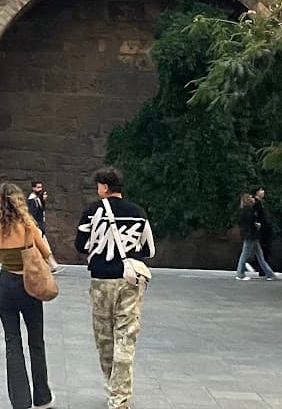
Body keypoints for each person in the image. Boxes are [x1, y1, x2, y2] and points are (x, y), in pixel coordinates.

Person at [75, 166, 155, 409]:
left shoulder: (92, 212)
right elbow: (149, 249)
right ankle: (119, 397)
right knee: (125, 336)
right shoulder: (138, 213)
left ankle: (114, 387)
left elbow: (80, 244)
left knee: (105, 338)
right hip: (129, 282)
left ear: (105, 187)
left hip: (101, 282)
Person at [0, 182, 55, 409]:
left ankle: (20, 400)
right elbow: (46, 252)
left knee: (12, 342)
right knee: (36, 340)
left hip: (5, 285)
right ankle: (42, 396)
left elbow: (0, 257)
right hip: (29, 285)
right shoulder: (28, 226)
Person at [235, 192, 275, 281]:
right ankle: (240, 274)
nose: (252, 198)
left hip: (250, 235)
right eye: (250, 197)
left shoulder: (243, 210)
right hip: (251, 235)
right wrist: (256, 225)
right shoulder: (249, 211)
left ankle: (269, 273)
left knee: (259, 255)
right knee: (245, 255)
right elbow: (250, 222)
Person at [253, 187, 276, 273]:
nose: (263, 192)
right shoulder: (255, 202)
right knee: (261, 249)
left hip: (266, 229)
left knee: (264, 250)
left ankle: (265, 269)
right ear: (257, 192)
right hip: (261, 230)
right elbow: (255, 215)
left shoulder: (263, 202)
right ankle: (262, 269)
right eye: (261, 190)